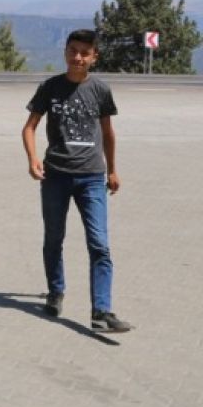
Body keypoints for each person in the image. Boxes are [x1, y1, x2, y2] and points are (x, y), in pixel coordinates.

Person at [22, 29, 132, 333]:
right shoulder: (50, 87)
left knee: (99, 244)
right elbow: (29, 128)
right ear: (65, 52)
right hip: (55, 176)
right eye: (73, 51)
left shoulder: (100, 90)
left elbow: (108, 133)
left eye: (85, 52)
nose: (78, 57)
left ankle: (102, 311)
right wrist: (32, 159)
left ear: (94, 56)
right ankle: (56, 292)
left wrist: (112, 170)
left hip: (92, 177)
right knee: (54, 238)